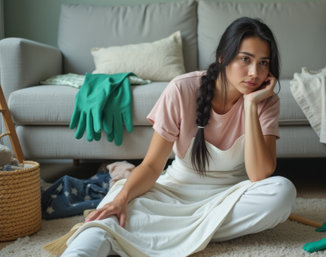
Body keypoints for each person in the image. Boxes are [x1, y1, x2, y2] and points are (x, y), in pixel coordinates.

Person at [61, 17, 297, 257]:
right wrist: (122, 198)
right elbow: (153, 165)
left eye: (263, 63)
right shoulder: (182, 88)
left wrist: (250, 105)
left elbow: (259, 174)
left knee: (282, 192)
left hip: (228, 198)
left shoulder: (265, 102)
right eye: (245, 59)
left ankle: (162, 231)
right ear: (223, 57)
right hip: (174, 194)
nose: (255, 73)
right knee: (109, 216)